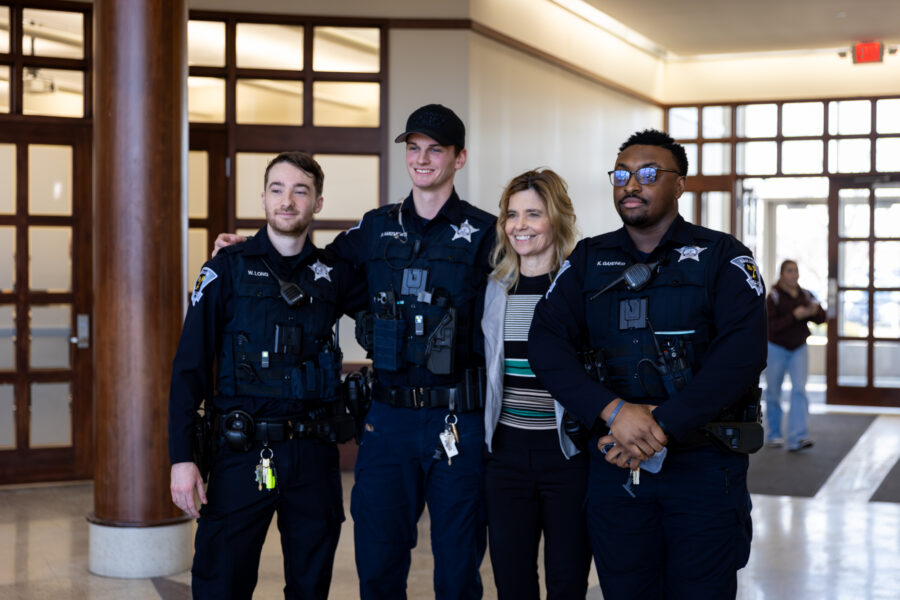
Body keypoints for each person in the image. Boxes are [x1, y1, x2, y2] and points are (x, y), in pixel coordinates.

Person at [213, 104, 496, 599]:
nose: (423, 160)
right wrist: (250, 250)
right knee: (379, 563)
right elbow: (312, 270)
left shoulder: (487, 234)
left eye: (436, 150)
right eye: (414, 149)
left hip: (459, 420)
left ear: (460, 158)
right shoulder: (375, 228)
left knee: (457, 568)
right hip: (386, 421)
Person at [528, 129, 767, 600]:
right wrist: (615, 412)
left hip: (703, 467)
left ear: (680, 185)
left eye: (648, 174)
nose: (631, 185)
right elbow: (545, 343)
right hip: (617, 469)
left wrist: (657, 427)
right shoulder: (589, 259)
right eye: (621, 175)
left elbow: (742, 356)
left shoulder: (723, 257)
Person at [169, 152, 365, 599]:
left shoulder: (333, 276)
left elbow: (387, 303)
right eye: (277, 189)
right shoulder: (225, 269)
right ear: (262, 198)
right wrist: (182, 458)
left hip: (313, 456)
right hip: (242, 453)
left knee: (310, 586)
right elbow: (188, 368)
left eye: (301, 190)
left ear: (317, 202)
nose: (287, 200)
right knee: (221, 584)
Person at [482, 169, 591, 600]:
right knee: (512, 583)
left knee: (567, 583)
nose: (520, 225)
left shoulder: (577, 288)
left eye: (533, 214)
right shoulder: (495, 290)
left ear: (557, 219)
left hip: (567, 458)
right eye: (512, 215)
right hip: (505, 459)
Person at [764, 259, 825, 451]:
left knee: (799, 391)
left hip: (799, 348)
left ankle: (798, 436)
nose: (794, 275)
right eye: (790, 271)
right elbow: (769, 326)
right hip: (776, 348)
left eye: (796, 271)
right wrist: (794, 316)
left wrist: (814, 311)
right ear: (782, 274)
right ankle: (774, 435)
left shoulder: (805, 295)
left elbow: (821, 319)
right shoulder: (773, 297)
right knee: (774, 392)